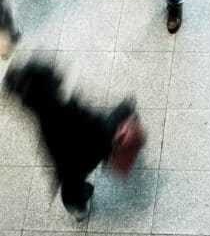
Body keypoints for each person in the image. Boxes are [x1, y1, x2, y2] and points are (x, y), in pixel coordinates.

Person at [4, 61, 145, 220]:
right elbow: (96, 124)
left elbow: (56, 154)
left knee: (72, 187)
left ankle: (78, 208)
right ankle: (129, 117)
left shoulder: (44, 118)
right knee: (123, 113)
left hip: (72, 165)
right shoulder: (66, 107)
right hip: (94, 145)